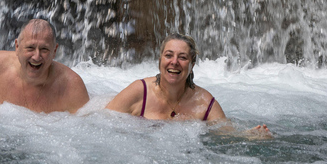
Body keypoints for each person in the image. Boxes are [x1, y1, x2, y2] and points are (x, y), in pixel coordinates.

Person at [106, 34, 271, 136]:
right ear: (160, 60)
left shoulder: (204, 103)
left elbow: (226, 134)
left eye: (183, 57)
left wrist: (250, 136)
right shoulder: (139, 91)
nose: (174, 62)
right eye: (168, 55)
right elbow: (99, 122)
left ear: (192, 65)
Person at [0, 19, 89, 113]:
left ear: (54, 51)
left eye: (44, 49)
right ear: (17, 46)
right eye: (30, 48)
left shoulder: (71, 86)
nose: (36, 56)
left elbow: (85, 129)